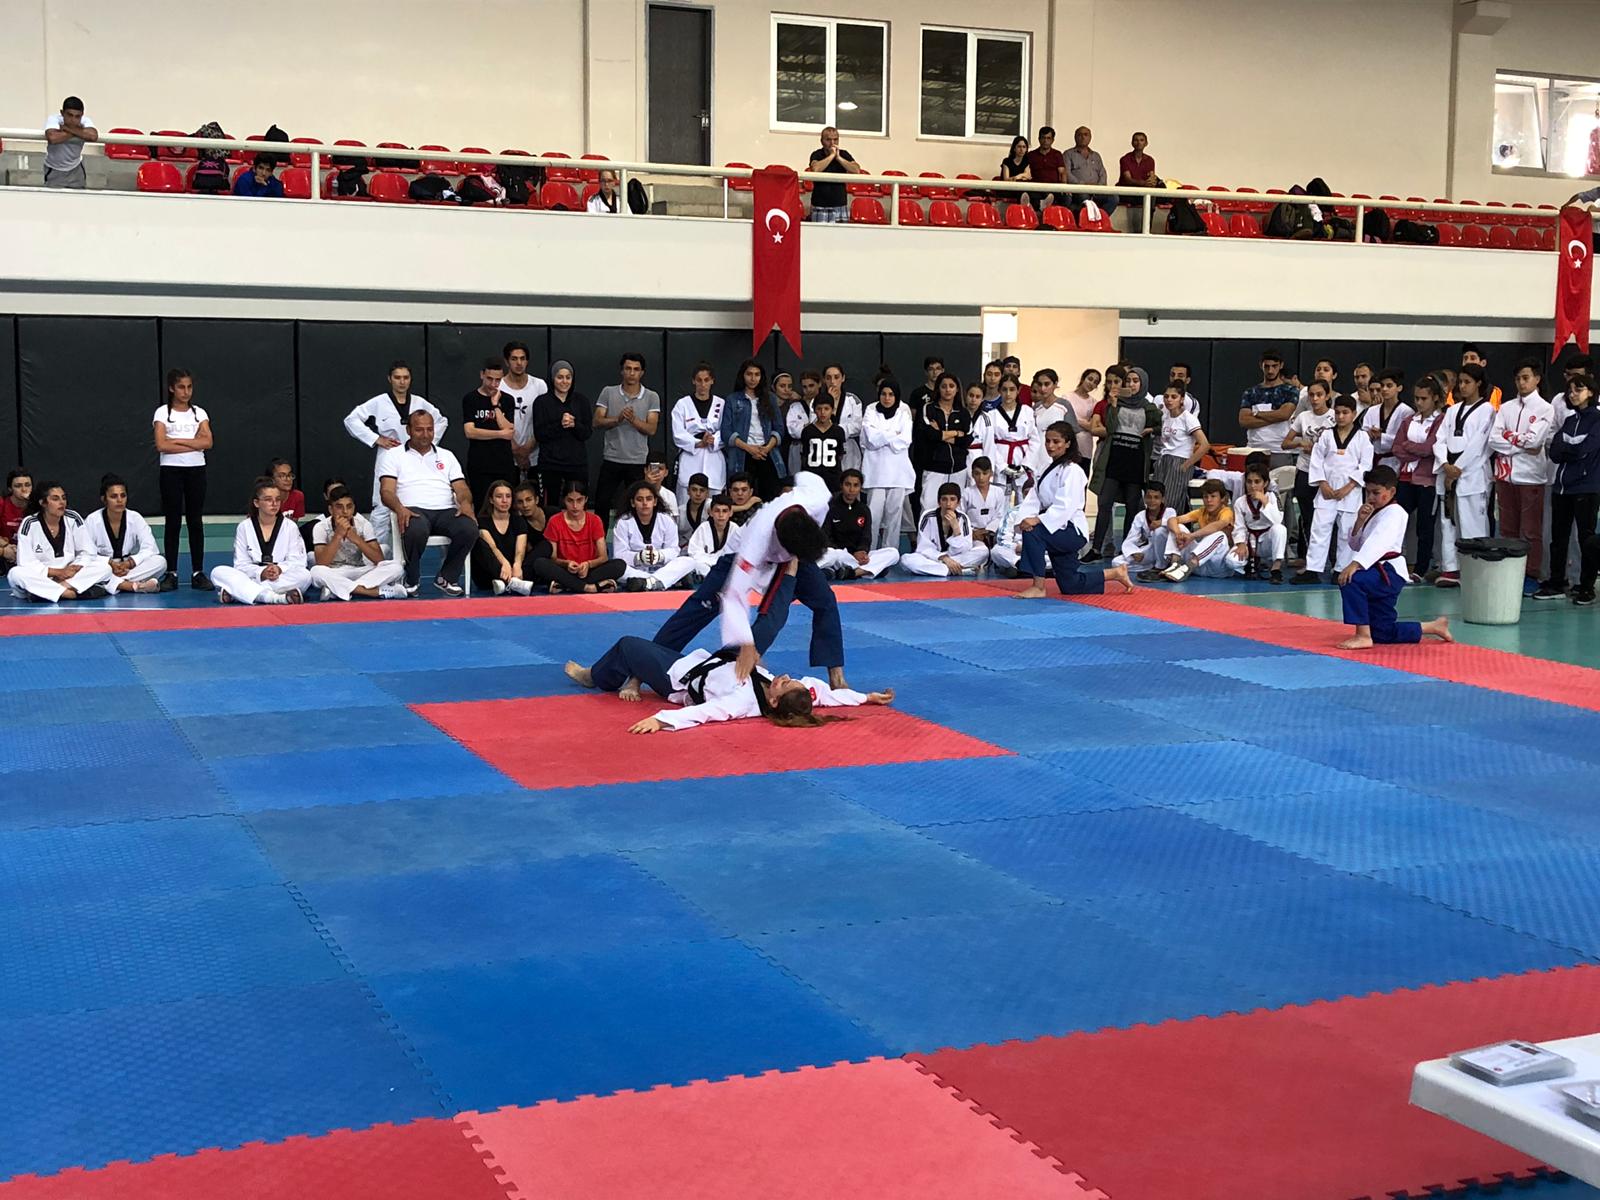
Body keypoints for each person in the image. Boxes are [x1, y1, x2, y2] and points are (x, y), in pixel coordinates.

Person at [652, 471, 849, 689]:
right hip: (739, 557)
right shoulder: (757, 538)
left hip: (798, 551)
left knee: (825, 600)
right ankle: (645, 666)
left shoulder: (817, 499)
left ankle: (837, 677)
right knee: (700, 606)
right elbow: (735, 595)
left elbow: (808, 477)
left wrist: (791, 484)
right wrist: (746, 643)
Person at [566, 638, 891, 733]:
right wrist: (865, 697)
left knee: (628, 645)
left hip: (675, 679)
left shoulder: (741, 702)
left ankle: (595, 677)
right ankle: (635, 677)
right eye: (789, 680)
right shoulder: (796, 695)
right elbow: (825, 694)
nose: (784, 678)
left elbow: (705, 713)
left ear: (774, 702)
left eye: (784, 685)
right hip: (699, 661)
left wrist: (661, 720)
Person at [1336, 466, 1454, 649]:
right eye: (1368, 492)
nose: (1371, 497)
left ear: (1391, 491)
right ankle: (1433, 627)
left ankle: (1362, 636)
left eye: (1376, 492)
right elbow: (1356, 545)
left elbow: (1379, 542)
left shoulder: (1396, 512)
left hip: (1389, 572)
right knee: (1382, 632)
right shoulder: (1375, 513)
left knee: (1352, 580)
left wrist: (1355, 564)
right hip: (1377, 570)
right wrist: (1360, 521)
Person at [1012, 423, 1133, 598]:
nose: (1050, 446)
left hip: (1071, 530)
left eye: (1056, 441)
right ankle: (1115, 573)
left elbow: (1066, 505)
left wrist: (1037, 520)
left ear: (1068, 443)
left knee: (1034, 532)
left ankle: (1038, 586)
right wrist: (1024, 519)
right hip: (1055, 528)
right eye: (1047, 441)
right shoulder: (1045, 469)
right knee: (1071, 585)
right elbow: (1033, 499)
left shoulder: (1073, 471)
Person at [344, 360, 448, 550]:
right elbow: (351, 420)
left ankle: (407, 552)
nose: (402, 382)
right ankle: (378, 554)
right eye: (397, 377)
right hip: (389, 453)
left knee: (412, 500)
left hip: (414, 456)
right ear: (389, 379)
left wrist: (427, 442)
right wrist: (376, 438)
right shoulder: (379, 402)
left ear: (410, 379)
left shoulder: (419, 403)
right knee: (382, 507)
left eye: (406, 377)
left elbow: (441, 421)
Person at [376, 409, 477, 596]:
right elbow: (386, 491)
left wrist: (464, 503)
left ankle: (447, 577)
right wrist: (400, 509)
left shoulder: (447, 455)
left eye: (429, 429)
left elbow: (462, 488)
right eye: (419, 430)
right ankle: (411, 578)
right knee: (415, 529)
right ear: (408, 430)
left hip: (446, 510)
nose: (425, 434)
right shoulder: (393, 455)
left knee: (469, 528)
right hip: (413, 510)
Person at [1490, 357, 1554, 589]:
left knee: (1530, 530)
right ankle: (1509, 572)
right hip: (1505, 476)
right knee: (1507, 528)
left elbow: (1535, 441)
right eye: (1517, 378)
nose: (1521, 383)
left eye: (1526, 378)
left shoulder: (1545, 408)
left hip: (1531, 477)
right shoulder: (1506, 407)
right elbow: (1494, 439)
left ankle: (1531, 574)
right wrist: (1519, 441)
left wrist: (1509, 437)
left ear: (1537, 379)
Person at [1536, 373, 1600, 603]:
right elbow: (1554, 452)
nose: (1573, 394)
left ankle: (1586, 586)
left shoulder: (1596, 420)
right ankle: (1556, 582)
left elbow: (1586, 450)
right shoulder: (1570, 421)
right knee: (1558, 538)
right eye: (1570, 391)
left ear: (1590, 392)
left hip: (1586, 488)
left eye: (1578, 390)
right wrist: (1570, 449)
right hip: (1561, 488)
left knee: (1586, 540)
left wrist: (1568, 449)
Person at [1294, 395, 1372, 584]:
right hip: (1326, 492)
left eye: (1345, 413)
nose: (1341, 416)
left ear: (1354, 414)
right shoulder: (1326, 435)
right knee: (1319, 530)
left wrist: (1349, 486)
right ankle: (1313, 570)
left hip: (1350, 492)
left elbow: (1365, 465)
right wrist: (1322, 484)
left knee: (1346, 532)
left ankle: (1340, 570)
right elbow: (1317, 461)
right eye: (1337, 413)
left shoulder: (1362, 437)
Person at [1087, 365, 1161, 558]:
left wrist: (1151, 430)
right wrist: (1112, 404)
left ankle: (1126, 548)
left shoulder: (1148, 407)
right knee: (1105, 502)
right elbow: (1110, 428)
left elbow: (1162, 425)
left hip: (1135, 461)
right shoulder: (1116, 404)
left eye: (1136, 381)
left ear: (1143, 383)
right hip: (1115, 458)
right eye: (1128, 381)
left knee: (1131, 505)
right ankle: (1096, 548)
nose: (1131, 384)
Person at [1433, 362, 1496, 588]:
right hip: (1448, 469)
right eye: (1460, 382)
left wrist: (1457, 468)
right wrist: (1444, 463)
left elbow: (1480, 444)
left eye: (1467, 382)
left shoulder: (1487, 410)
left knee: (1472, 523)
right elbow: (1439, 439)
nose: (1462, 386)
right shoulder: (1452, 410)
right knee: (1448, 522)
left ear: (1478, 383)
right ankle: (1451, 568)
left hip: (1472, 472)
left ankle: (1475, 569)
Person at [153, 366, 214, 590]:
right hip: (171, 471)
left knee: (195, 520)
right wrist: (193, 442)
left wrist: (177, 441)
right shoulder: (162, 413)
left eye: (189, 387)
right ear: (172, 388)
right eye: (181, 387)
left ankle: (198, 572)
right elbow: (161, 445)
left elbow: (208, 442)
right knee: (173, 521)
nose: (186, 392)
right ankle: (172, 572)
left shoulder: (199, 413)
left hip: (196, 470)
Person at [211, 477, 311, 605]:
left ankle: (240, 592)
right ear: (256, 503)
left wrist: (279, 569)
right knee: (218, 572)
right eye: (268, 499)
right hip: (253, 575)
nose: (274, 503)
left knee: (305, 576)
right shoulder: (244, 527)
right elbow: (240, 565)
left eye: (277, 499)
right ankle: (276, 598)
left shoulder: (290, 526)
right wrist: (261, 572)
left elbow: (298, 561)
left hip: (280, 576)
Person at [8, 481, 113, 602]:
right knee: (15, 573)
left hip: (69, 577)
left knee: (104, 568)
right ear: (43, 503)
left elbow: (88, 552)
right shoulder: (29, 523)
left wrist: (74, 568)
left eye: (63, 498)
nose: (62, 502)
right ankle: (70, 593)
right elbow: (26, 562)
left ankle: (52, 591)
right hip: (42, 577)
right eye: (55, 499)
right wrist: (56, 572)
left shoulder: (73, 518)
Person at [593, 351, 661, 526]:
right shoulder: (608, 392)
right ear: (622, 371)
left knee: (639, 504)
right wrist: (617, 419)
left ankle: (639, 536)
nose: (632, 373)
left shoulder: (651, 396)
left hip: (638, 461)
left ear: (642, 372)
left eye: (636, 369)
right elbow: (597, 421)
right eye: (628, 368)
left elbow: (652, 429)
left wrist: (633, 420)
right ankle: (599, 539)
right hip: (612, 458)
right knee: (602, 503)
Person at [1392, 375, 1447, 584]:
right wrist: (1415, 451)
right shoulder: (1409, 420)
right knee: (1396, 521)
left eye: (1424, 398)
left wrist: (1410, 447)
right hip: (1405, 478)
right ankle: (1394, 562)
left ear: (1435, 398)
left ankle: (1421, 568)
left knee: (1425, 526)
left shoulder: (1441, 421)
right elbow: (1397, 448)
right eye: (1416, 398)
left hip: (1427, 481)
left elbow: (1430, 448)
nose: (1419, 403)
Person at [309, 485, 407, 600]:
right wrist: (338, 536)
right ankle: (373, 591)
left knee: (396, 567)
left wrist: (356, 539)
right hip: (334, 572)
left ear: (354, 508)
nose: (345, 512)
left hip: (360, 570)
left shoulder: (363, 524)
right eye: (339, 507)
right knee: (316, 572)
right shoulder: (320, 527)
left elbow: (379, 559)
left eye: (349, 507)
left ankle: (337, 590)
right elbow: (322, 563)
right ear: (331, 509)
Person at [534, 479, 625, 594]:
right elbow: (553, 558)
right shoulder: (555, 521)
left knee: (620, 565)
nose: (575, 506)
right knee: (540, 563)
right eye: (570, 501)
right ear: (564, 500)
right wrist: (567, 563)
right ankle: (590, 587)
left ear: (586, 499)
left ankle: (566, 585)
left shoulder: (595, 520)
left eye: (579, 500)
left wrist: (588, 564)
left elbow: (603, 557)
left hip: (590, 570)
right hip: (565, 570)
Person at [83, 474, 166, 595]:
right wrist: (110, 563)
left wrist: (130, 563)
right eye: (113, 496)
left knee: (160, 562)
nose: (119, 500)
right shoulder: (92, 520)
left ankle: (113, 584)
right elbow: (86, 552)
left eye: (123, 495)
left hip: (128, 568)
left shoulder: (135, 517)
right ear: (104, 499)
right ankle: (135, 585)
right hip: (104, 566)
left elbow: (150, 548)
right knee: (91, 568)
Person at [1284, 378, 1337, 563]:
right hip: (1305, 470)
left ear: (1327, 396)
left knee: (1329, 516)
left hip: (1327, 472)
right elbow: (1285, 443)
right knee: (1307, 516)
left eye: (1319, 395)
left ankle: (1332, 559)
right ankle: (1307, 558)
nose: (1315, 399)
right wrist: (1300, 444)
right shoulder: (1303, 417)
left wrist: (1321, 449)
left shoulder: (1334, 416)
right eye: (1312, 395)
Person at [532, 359, 593, 511]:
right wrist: (560, 424)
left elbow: (587, 433)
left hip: (576, 463)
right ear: (553, 379)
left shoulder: (581, 401)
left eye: (568, 377)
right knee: (550, 507)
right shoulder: (541, 402)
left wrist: (574, 424)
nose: (564, 381)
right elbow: (540, 434)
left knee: (577, 504)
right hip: (550, 463)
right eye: (560, 377)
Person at [862, 379, 914, 555]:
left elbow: (904, 441)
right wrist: (893, 434)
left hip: (898, 473)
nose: (887, 398)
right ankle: (869, 552)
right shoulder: (871, 410)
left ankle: (890, 553)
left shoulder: (903, 414)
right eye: (883, 394)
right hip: (875, 473)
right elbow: (871, 439)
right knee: (873, 515)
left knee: (894, 517)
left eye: (891, 394)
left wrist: (882, 435)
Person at [614, 480, 696, 591]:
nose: (645, 503)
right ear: (632, 503)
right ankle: (663, 581)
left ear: (655, 501)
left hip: (661, 567)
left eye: (649, 499)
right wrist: (638, 557)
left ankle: (647, 583)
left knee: (688, 561)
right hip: (635, 570)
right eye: (639, 499)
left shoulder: (666, 520)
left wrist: (660, 556)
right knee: (617, 567)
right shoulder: (623, 522)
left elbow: (674, 550)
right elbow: (619, 555)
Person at [721, 359, 785, 501]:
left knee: (770, 497)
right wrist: (749, 448)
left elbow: (779, 428)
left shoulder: (770, 398)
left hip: (766, 453)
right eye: (749, 374)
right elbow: (726, 431)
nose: (753, 378)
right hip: (742, 454)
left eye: (757, 374)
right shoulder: (733, 399)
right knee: (741, 496)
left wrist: (766, 448)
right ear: (742, 376)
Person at [459, 356, 517, 507]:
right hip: (480, 463)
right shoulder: (470, 399)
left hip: (503, 463)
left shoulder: (508, 400)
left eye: (497, 380)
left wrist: (495, 405)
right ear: (482, 375)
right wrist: (499, 434)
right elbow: (470, 431)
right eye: (489, 379)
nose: (493, 384)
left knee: (504, 505)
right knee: (481, 506)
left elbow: (509, 430)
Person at [820, 468, 898, 579]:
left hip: (857, 558)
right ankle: (867, 570)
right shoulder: (830, 507)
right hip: (839, 555)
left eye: (856, 485)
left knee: (893, 553)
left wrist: (862, 551)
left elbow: (866, 537)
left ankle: (851, 573)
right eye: (848, 485)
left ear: (860, 488)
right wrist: (846, 553)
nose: (851, 489)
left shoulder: (864, 509)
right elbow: (825, 537)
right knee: (829, 554)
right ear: (841, 485)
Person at [901, 482, 988, 577]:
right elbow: (923, 547)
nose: (948, 504)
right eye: (944, 499)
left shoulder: (963, 518)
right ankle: (954, 570)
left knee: (983, 552)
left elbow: (965, 549)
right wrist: (944, 558)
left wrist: (956, 529)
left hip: (955, 557)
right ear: (939, 502)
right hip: (934, 558)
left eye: (952, 499)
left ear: (958, 502)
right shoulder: (928, 516)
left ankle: (941, 569)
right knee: (906, 559)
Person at [671, 363, 726, 509]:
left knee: (714, 501)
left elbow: (726, 429)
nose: (703, 384)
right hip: (691, 455)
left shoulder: (721, 404)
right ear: (693, 381)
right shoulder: (682, 404)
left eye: (706, 380)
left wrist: (713, 440)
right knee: (685, 500)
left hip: (713, 456)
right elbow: (678, 433)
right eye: (699, 380)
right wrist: (698, 442)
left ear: (712, 381)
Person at [1158, 479, 1236, 581]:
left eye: (1213, 496)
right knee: (1179, 527)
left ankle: (1187, 567)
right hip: (1200, 566)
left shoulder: (1226, 512)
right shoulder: (1201, 511)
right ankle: (1175, 564)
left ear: (1222, 498)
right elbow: (1172, 520)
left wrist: (1191, 536)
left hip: (1219, 567)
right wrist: (1178, 533)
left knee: (1220, 535)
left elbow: (1217, 525)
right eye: (1205, 497)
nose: (1209, 500)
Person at [916, 372, 971, 516]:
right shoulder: (928, 409)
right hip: (934, 468)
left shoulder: (963, 413)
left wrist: (940, 433)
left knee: (956, 511)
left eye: (951, 386)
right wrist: (956, 433)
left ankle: (955, 532)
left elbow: (966, 441)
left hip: (958, 469)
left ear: (957, 389)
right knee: (928, 508)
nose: (948, 390)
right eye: (944, 386)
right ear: (938, 389)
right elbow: (929, 435)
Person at [470, 479, 537, 596]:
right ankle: (512, 583)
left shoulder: (519, 521)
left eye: (508, 496)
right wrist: (505, 563)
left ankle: (509, 583)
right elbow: (493, 547)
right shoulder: (482, 521)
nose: (504, 500)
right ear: (491, 500)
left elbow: (520, 550)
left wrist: (517, 565)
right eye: (499, 496)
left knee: (542, 547)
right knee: (478, 542)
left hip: (515, 572)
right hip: (490, 574)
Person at [1152, 383, 1209, 516]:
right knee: (1156, 501)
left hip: (1179, 460)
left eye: (1174, 397)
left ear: (1181, 399)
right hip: (1163, 460)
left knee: (1170, 502)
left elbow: (1205, 445)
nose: (1169, 400)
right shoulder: (1165, 417)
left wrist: (1186, 465)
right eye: (1166, 396)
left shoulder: (1188, 418)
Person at [979, 376, 1039, 498]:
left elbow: (1035, 440)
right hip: (1001, 460)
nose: (1008, 394)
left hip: (1022, 460)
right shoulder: (991, 415)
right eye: (1004, 389)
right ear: (999, 391)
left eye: (1012, 389)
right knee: (1000, 500)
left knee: (1024, 500)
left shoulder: (1027, 411)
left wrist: (1026, 465)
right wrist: (1002, 466)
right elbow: (990, 444)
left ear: (1018, 390)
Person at [1238, 349, 1300, 468]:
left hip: (1279, 450)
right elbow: (1244, 420)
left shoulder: (1290, 390)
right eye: (1267, 366)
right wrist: (1275, 416)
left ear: (1281, 365)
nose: (1270, 371)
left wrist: (1257, 414)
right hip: (1254, 448)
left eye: (1274, 366)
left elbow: (1285, 415)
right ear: (1261, 365)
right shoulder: (1250, 392)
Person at [499, 340, 547, 486]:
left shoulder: (539, 385)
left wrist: (527, 449)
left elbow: (545, 421)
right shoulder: (498, 387)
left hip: (535, 455)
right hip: (507, 456)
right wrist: (516, 450)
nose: (519, 363)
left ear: (527, 361)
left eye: (522, 358)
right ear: (507, 362)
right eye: (514, 359)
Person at [1229, 465, 1287, 582]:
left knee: (1280, 529)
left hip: (1267, 541)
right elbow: (1239, 527)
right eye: (1249, 482)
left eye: (1257, 481)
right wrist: (1241, 544)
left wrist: (1265, 501)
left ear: (1265, 483)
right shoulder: (1240, 502)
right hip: (1249, 541)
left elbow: (1277, 520)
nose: (1253, 486)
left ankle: (1276, 569)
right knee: (1231, 561)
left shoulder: (1273, 497)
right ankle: (1250, 564)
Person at [806, 126, 864, 222]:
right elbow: (816, 169)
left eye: (835, 139)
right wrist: (831, 156)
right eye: (828, 140)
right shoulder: (817, 154)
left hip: (840, 204)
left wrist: (838, 158)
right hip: (820, 205)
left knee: (841, 232)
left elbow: (856, 170)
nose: (832, 143)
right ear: (822, 141)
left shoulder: (844, 154)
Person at [1117, 480, 1173, 578]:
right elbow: (1131, 538)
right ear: (1144, 498)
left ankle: (1161, 566)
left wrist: (1162, 523)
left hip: (1166, 552)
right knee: (1116, 562)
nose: (1152, 501)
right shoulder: (1140, 516)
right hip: (1150, 551)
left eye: (1156, 497)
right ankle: (1150, 567)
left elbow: (1175, 528)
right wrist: (1134, 552)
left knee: (1159, 531)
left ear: (1163, 499)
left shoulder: (1170, 512)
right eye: (1149, 497)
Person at [682, 492, 742, 583]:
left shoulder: (735, 529)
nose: (721, 515)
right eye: (717, 511)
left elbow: (737, 553)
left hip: (724, 566)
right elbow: (694, 552)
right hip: (705, 565)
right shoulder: (703, 527)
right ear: (710, 512)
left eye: (725, 511)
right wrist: (712, 561)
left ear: (730, 513)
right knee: (692, 563)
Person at [1362, 368, 1414, 472]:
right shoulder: (1372, 410)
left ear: (1399, 388)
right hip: (1372, 460)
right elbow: (1362, 435)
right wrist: (1369, 434)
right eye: (1382, 386)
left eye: (1389, 385)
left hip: (1395, 462)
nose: (1384, 389)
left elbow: (1405, 441)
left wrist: (1381, 436)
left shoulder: (1407, 412)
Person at [44, 96, 97, 189]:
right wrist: (79, 132)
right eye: (69, 115)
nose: (73, 120)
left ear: (82, 115)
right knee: (53, 197)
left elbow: (93, 136)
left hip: (76, 169)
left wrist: (67, 129)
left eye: (77, 116)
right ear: (62, 113)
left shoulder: (85, 120)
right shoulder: (54, 119)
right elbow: (53, 138)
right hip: (54, 169)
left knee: (79, 197)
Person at [800, 394, 847, 495]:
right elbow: (804, 456)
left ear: (832, 410)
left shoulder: (838, 431)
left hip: (833, 479)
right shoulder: (807, 431)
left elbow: (839, 455)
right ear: (814, 410)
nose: (822, 412)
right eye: (819, 409)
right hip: (812, 479)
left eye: (826, 409)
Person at [821, 363, 865, 472]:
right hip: (824, 449)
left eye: (836, 377)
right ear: (824, 380)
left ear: (843, 378)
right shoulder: (817, 401)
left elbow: (857, 426)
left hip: (848, 448)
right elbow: (817, 425)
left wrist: (837, 431)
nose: (833, 382)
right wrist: (830, 402)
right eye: (828, 378)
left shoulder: (853, 400)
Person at [1064, 126, 1112, 217]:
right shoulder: (1068, 154)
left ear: (1090, 137)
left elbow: (1103, 173)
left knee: (1113, 198)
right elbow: (1067, 174)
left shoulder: (1096, 155)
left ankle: (1100, 219)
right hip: (1079, 190)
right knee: (1084, 197)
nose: (1083, 137)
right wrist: (1082, 185)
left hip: (1097, 190)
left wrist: (1099, 186)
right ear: (1075, 137)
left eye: (1086, 135)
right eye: (1080, 135)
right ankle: (1086, 220)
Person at [1118, 132, 1158, 231]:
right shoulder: (1125, 159)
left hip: (1142, 192)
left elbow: (1151, 177)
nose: (1139, 142)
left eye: (1141, 140)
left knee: (1152, 197)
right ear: (1132, 143)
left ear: (1146, 143)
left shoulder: (1150, 160)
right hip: (1127, 192)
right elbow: (1128, 179)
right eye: (1136, 140)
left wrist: (1152, 182)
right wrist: (1144, 183)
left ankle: (1147, 229)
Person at [1024, 126, 1065, 215]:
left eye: (1048, 138)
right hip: (1036, 186)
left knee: (1065, 198)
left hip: (1053, 187)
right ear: (1039, 139)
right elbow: (1025, 171)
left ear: (1052, 140)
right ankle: (1040, 207)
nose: (1045, 141)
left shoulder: (1057, 154)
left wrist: (1064, 186)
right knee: (1029, 194)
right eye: (1043, 138)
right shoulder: (1031, 155)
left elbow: (1062, 172)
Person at [1066, 368, 1102, 460]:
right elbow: (1065, 421)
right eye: (1090, 379)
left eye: (1095, 382)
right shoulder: (1067, 397)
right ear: (1083, 379)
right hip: (1068, 442)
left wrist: (1075, 420)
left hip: (1085, 445)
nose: (1091, 383)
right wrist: (1084, 423)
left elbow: (1092, 426)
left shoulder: (1094, 403)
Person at [0, 468, 30, 575]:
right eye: (18, 486)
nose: (24, 489)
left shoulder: (39, 506)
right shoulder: (2, 504)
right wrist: (4, 548)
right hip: (7, 552)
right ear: (10, 489)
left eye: (27, 485)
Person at [266, 459, 306, 525]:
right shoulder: (265, 498)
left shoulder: (298, 496)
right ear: (271, 479)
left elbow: (293, 526)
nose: (288, 479)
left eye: (290, 475)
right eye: (282, 476)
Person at [998, 136, 1032, 212]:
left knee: (1027, 191)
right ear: (1014, 148)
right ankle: (1025, 210)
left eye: (1024, 147)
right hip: (1008, 189)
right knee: (1023, 191)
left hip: (1021, 187)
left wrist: (1017, 177)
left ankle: (1037, 206)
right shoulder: (1007, 161)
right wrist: (1021, 176)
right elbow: (1006, 179)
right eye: (1019, 146)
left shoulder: (1026, 161)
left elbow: (1028, 176)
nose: (1021, 149)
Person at [678, 473, 711, 546]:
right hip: (683, 549)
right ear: (688, 491)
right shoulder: (680, 511)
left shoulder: (710, 505)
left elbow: (726, 507)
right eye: (694, 490)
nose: (698, 494)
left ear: (707, 493)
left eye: (702, 490)